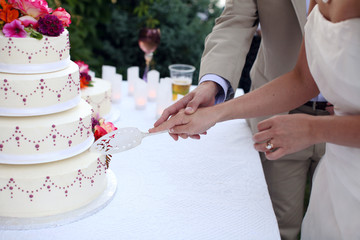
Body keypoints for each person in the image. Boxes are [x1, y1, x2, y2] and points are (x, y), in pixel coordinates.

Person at [150, 0, 360, 238]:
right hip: (305, 137)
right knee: (277, 229)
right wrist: (215, 112)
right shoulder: (318, 4)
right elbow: (303, 79)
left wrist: (316, 128)